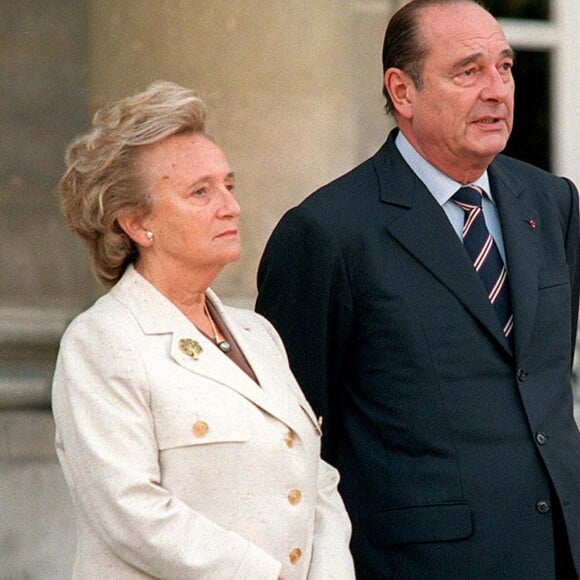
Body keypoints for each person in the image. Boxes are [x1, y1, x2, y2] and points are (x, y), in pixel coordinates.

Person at [255, 1, 580, 578]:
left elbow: (542, 388)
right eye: (468, 71)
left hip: (559, 553)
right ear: (402, 92)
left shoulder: (550, 202)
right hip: (418, 564)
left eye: (504, 68)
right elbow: (292, 442)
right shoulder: (327, 232)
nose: (496, 90)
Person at [52, 81, 355, 579]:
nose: (230, 206)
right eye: (200, 191)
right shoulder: (102, 341)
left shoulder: (257, 334)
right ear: (136, 223)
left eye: (228, 186)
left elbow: (316, 482)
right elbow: (131, 514)